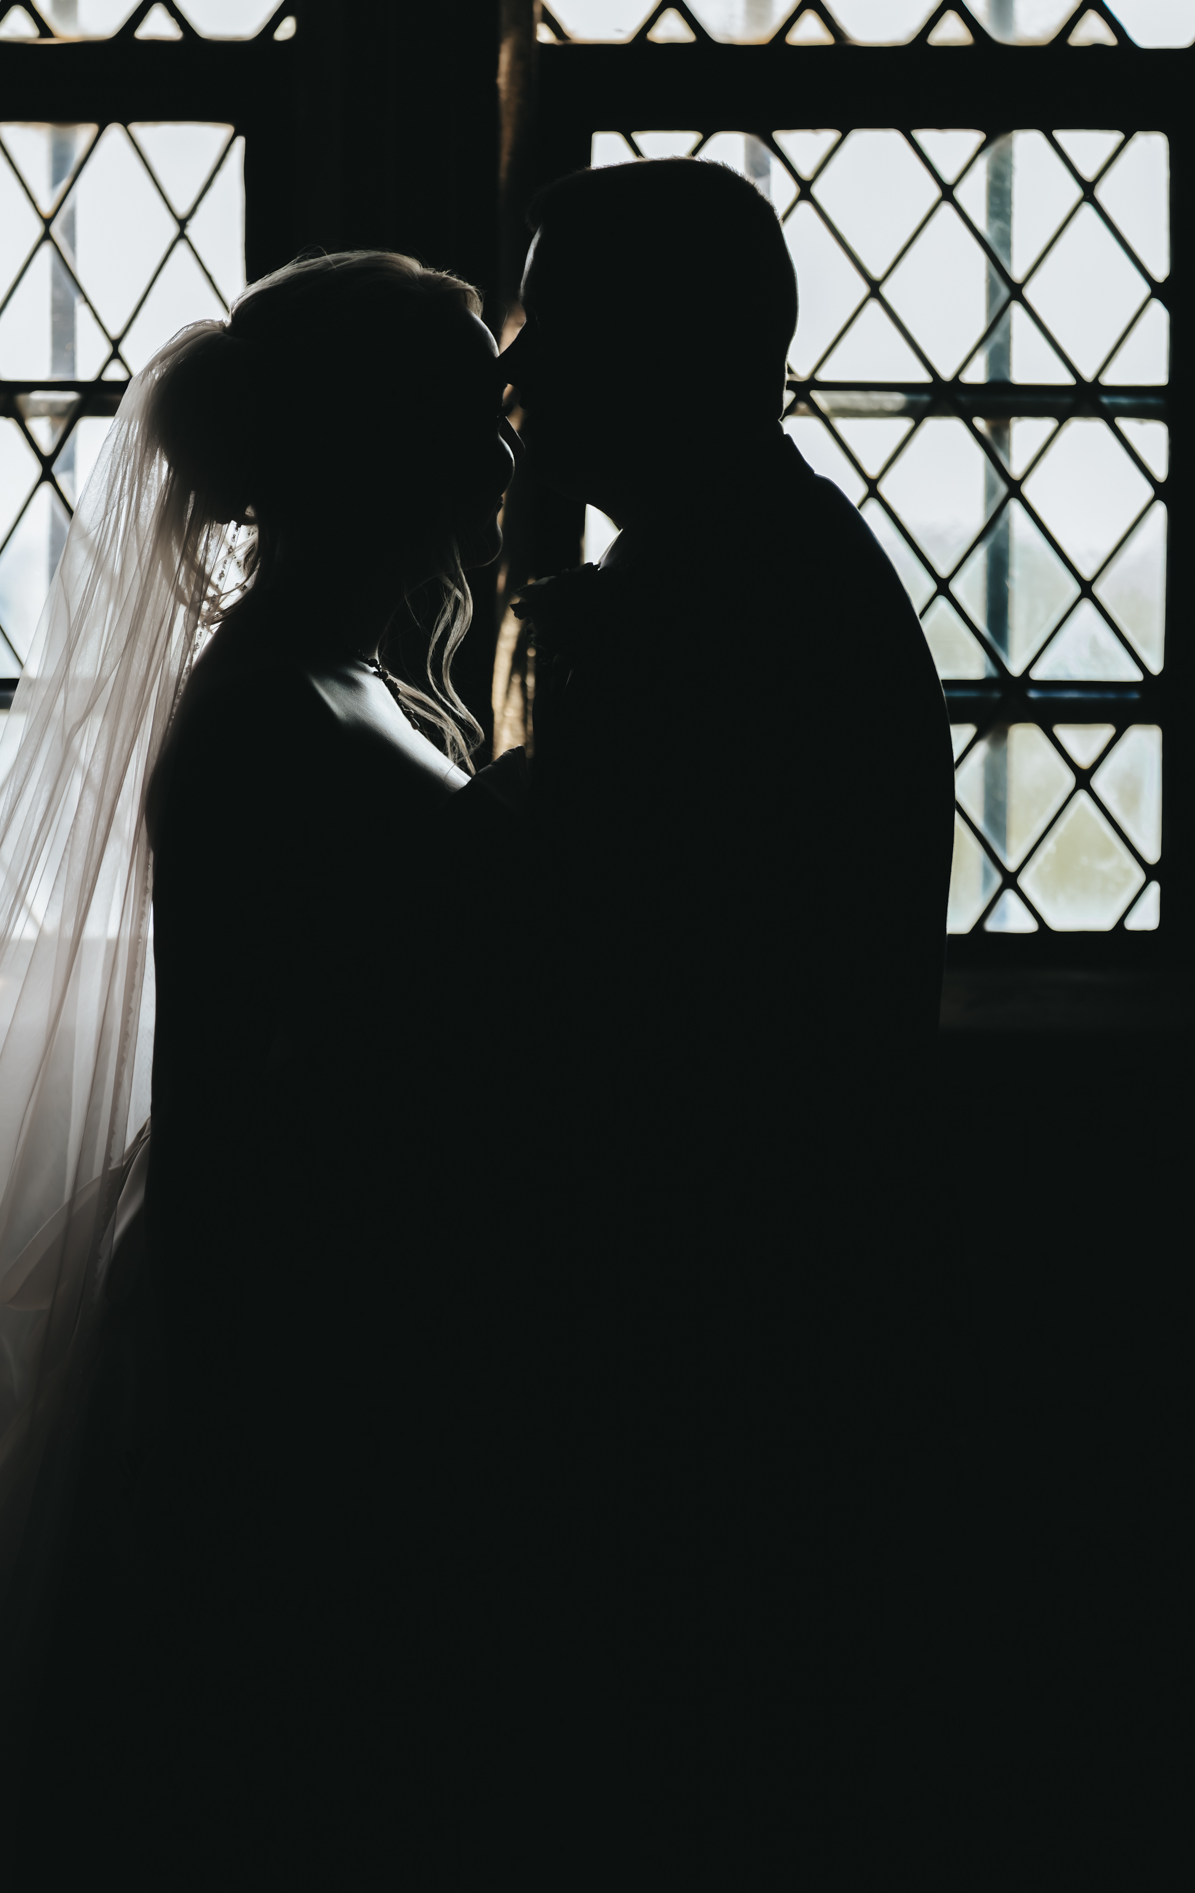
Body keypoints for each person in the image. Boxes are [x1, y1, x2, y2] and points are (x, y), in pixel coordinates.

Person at [0, 250, 527, 1880]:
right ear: (376, 447)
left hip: (374, 1292)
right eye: (470, 411)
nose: (505, 453)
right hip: (298, 1327)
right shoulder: (267, 714)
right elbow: (230, 1093)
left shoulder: (349, 683)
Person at [500, 158, 957, 1876]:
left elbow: (606, 983)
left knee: (724, 1779)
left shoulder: (701, 612)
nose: (516, 372)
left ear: (665, 351)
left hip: (727, 1320)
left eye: (551, 327)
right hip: (785, 1305)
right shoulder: (762, 558)